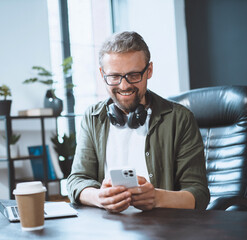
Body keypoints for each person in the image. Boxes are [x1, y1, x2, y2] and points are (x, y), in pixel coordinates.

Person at [66, 31, 210, 213]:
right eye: (114, 77)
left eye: (133, 75)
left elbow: (199, 195)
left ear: (149, 71)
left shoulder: (180, 118)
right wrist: (99, 198)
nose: (124, 85)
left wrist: (157, 198)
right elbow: (77, 180)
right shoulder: (93, 117)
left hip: (162, 230)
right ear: (102, 74)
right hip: (107, 228)